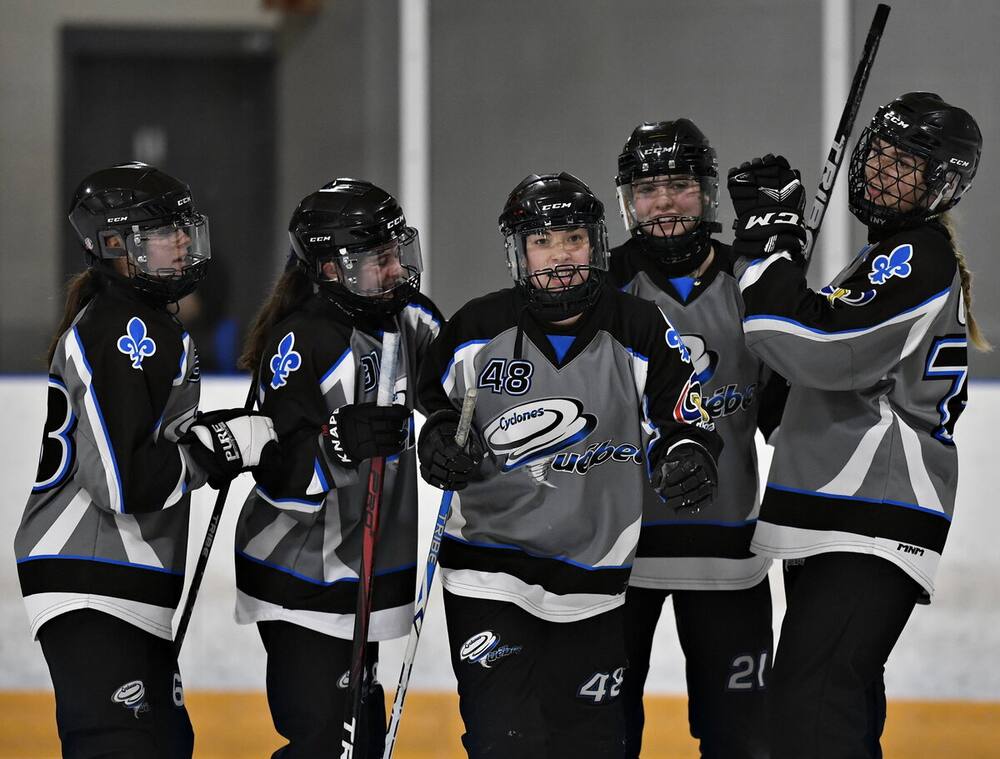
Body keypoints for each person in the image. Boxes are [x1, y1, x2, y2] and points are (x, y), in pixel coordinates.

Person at [416, 172, 723, 758]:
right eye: (542, 242)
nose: (561, 256)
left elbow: (680, 416)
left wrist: (690, 453)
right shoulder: (476, 329)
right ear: (518, 252)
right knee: (505, 740)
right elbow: (432, 402)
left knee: (590, 746)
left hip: (596, 575)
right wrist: (436, 440)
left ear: (598, 244)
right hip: (490, 567)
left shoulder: (638, 327)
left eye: (574, 239)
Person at [726, 92, 986, 758]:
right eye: (883, 154)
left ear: (944, 185)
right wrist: (784, 399)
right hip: (846, 515)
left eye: (907, 165)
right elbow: (833, 369)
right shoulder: (886, 260)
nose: (881, 172)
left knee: (811, 715)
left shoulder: (913, 258)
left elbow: (815, 343)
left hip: (870, 516)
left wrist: (767, 243)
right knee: (834, 712)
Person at [14, 162, 276, 758]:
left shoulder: (147, 322)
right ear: (114, 244)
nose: (182, 241)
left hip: (118, 579)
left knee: (159, 744)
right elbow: (120, 482)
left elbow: (153, 441)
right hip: (92, 574)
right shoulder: (119, 326)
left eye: (183, 227)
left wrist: (214, 438)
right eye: (162, 230)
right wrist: (221, 450)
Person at [234, 178, 444, 758]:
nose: (397, 269)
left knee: (358, 746)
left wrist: (453, 429)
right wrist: (337, 442)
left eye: (397, 251)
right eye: (379, 259)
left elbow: (455, 387)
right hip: (301, 572)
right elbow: (278, 470)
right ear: (330, 269)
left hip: (359, 570)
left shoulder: (409, 318)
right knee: (327, 745)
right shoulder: (303, 341)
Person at [610, 120, 787, 759]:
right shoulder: (602, 290)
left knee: (744, 741)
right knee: (603, 739)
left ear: (707, 193)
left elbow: (783, 419)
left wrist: (787, 269)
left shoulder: (755, 285)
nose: (663, 203)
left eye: (680, 185)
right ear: (627, 199)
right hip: (618, 558)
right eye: (648, 187)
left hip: (730, 557)